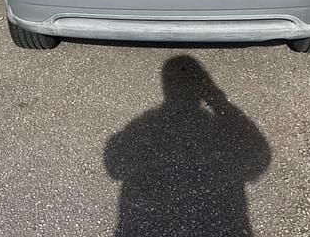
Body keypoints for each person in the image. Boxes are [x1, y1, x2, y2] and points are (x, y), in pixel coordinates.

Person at [104, 55, 270, 236]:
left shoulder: (143, 125)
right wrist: (216, 100)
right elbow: (258, 156)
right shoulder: (211, 124)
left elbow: (115, 167)